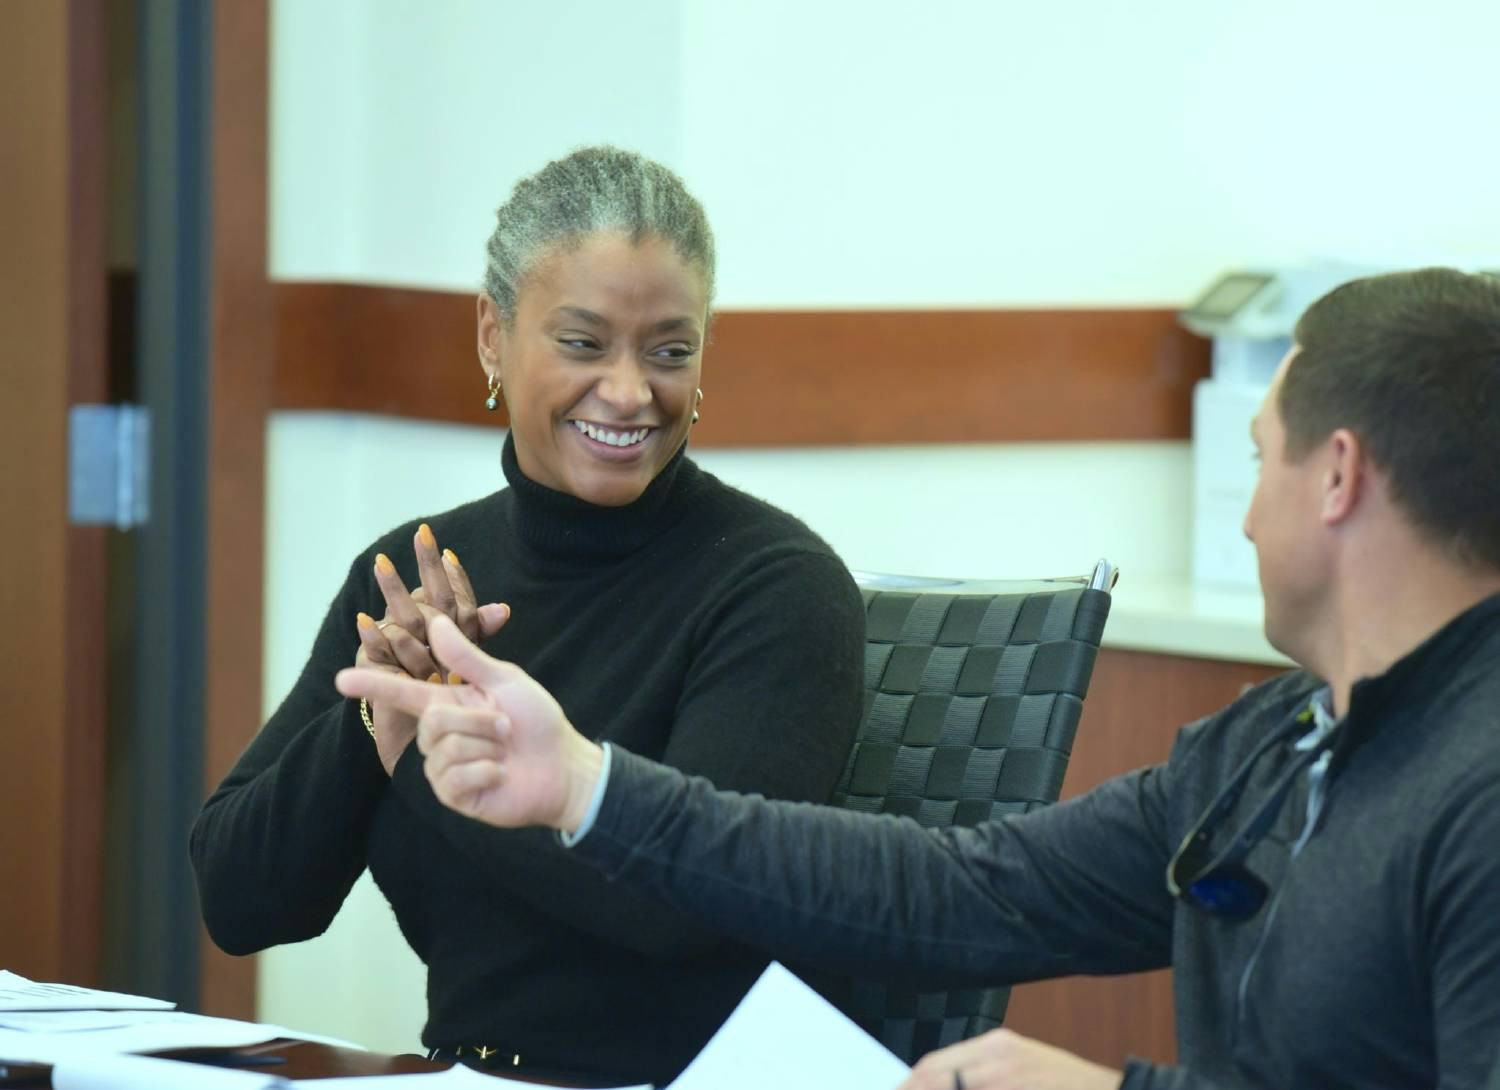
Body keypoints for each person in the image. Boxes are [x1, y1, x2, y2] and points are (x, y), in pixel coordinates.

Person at [339, 267, 1500, 1089]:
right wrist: (588, 786)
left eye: (1261, 461)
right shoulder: (1275, 744)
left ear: (1338, 474)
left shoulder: (1478, 796)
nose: (1245, 516)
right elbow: (956, 889)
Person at [190, 146, 866, 1086]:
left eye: (671, 350)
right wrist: (372, 720)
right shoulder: (414, 580)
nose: (630, 393)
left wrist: (427, 761)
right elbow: (240, 903)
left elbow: (682, 908)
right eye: (583, 343)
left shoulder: (777, 587)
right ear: (491, 336)